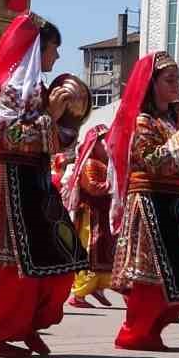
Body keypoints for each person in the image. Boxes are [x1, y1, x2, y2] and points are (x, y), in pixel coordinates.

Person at [0, 14, 89, 357]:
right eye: (54, 49)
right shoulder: (10, 87)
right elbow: (6, 136)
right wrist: (51, 118)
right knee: (12, 263)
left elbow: (53, 142)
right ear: (37, 48)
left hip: (36, 182)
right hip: (9, 185)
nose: (56, 58)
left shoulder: (38, 89)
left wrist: (64, 122)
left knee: (62, 255)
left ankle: (25, 324)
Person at [106, 51, 179, 349]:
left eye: (177, 79)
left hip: (173, 204)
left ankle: (151, 330)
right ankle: (134, 333)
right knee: (150, 278)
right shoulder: (142, 121)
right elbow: (151, 160)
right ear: (152, 83)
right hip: (148, 203)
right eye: (169, 79)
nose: (176, 85)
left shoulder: (170, 121)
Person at [64, 124, 115, 309]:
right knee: (90, 250)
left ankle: (97, 287)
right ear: (95, 144)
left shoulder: (106, 164)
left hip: (102, 214)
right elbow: (92, 187)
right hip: (91, 216)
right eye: (104, 141)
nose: (108, 144)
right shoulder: (90, 163)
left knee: (103, 250)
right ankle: (78, 294)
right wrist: (113, 186)